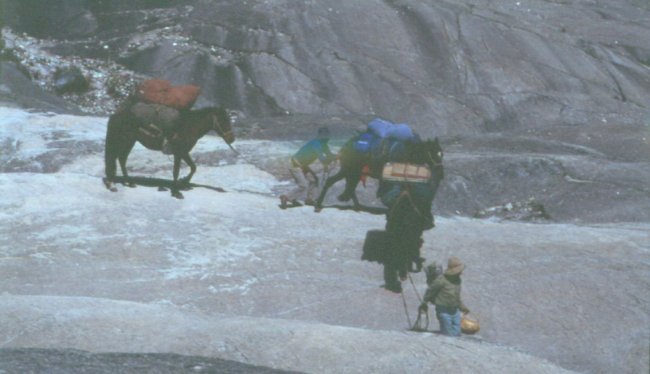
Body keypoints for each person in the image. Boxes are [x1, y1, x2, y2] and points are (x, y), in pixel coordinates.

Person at [280, 127, 337, 209]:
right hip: (295, 165)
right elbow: (323, 159)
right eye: (326, 136)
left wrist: (337, 157)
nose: (327, 138)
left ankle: (310, 199)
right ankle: (286, 197)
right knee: (303, 185)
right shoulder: (316, 144)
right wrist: (334, 158)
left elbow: (329, 155)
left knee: (314, 180)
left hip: (303, 165)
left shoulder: (323, 145)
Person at [419, 256, 470, 336]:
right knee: (448, 334)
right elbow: (430, 291)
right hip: (444, 311)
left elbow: (456, 297)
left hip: (455, 310)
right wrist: (424, 303)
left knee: (457, 333)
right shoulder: (441, 280)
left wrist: (463, 307)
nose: (461, 272)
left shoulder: (458, 280)